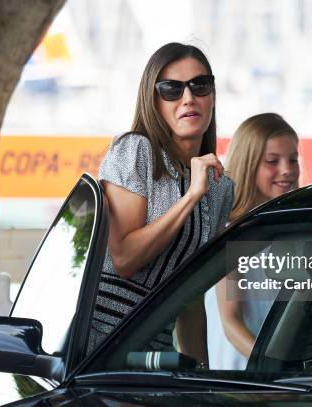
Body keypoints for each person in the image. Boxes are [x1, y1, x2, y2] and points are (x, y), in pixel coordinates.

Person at [90, 43, 234, 362]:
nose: (188, 98)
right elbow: (124, 259)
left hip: (156, 355)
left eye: (200, 85)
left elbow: (190, 298)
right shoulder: (135, 151)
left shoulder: (222, 187)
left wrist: (201, 383)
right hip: (98, 347)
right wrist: (190, 197)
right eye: (171, 89)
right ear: (153, 101)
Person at [206, 112, 300, 369]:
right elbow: (231, 322)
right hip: (240, 378)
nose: (287, 170)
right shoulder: (229, 233)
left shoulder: (291, 232)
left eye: (293, 159)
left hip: (282, 382)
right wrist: (272, 366)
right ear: (248, 165)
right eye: (272, 161)